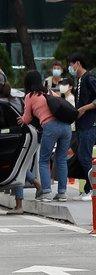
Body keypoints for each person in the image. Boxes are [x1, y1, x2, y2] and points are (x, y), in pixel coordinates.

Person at [18, 70, 72, 202]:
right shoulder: (50, 92)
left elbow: (27, 118)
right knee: (61, 159)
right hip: (66, 127)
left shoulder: (30, 96)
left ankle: (46, 192)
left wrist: (21, 119)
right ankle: (62, 193)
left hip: (50, 127)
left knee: (44, 160)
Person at [0, 82, 42, 214]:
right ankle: (36, 183)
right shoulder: (17, 100)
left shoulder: (0, 104)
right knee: (20, 166)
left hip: (11, 138)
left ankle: (19, 205)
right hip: (27, 135)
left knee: (17, 169)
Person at [68, 52, 96, 201]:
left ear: (77, 63)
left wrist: (84, 108)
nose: (70, 67)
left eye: (71, 64)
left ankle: (93, 189)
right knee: (81, 156)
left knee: (85, 156)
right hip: (81, 124)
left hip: (89, 123)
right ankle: (87, 189)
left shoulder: (89, 78)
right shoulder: (79, 80)